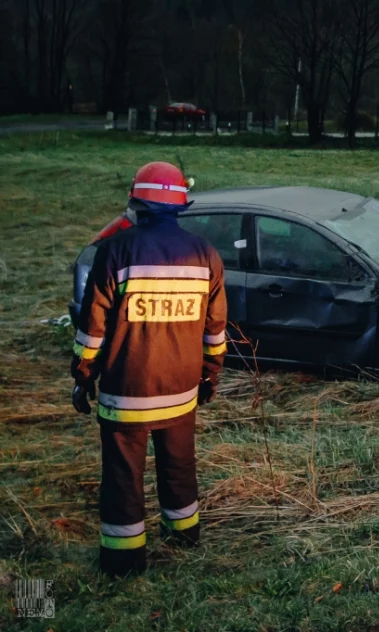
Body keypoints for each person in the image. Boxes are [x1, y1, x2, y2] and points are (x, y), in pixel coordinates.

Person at [71, 161, 228, 576]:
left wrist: (82, 376)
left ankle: (124, 562)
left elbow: (92, 330)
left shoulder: (115, 252)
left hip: (126, 394)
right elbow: (215, 332)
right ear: (180, 205)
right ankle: (184, 537)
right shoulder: (205, 255)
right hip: (180, 392)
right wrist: (210, 376)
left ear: (137, 202)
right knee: (179, 467)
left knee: (123, 477)